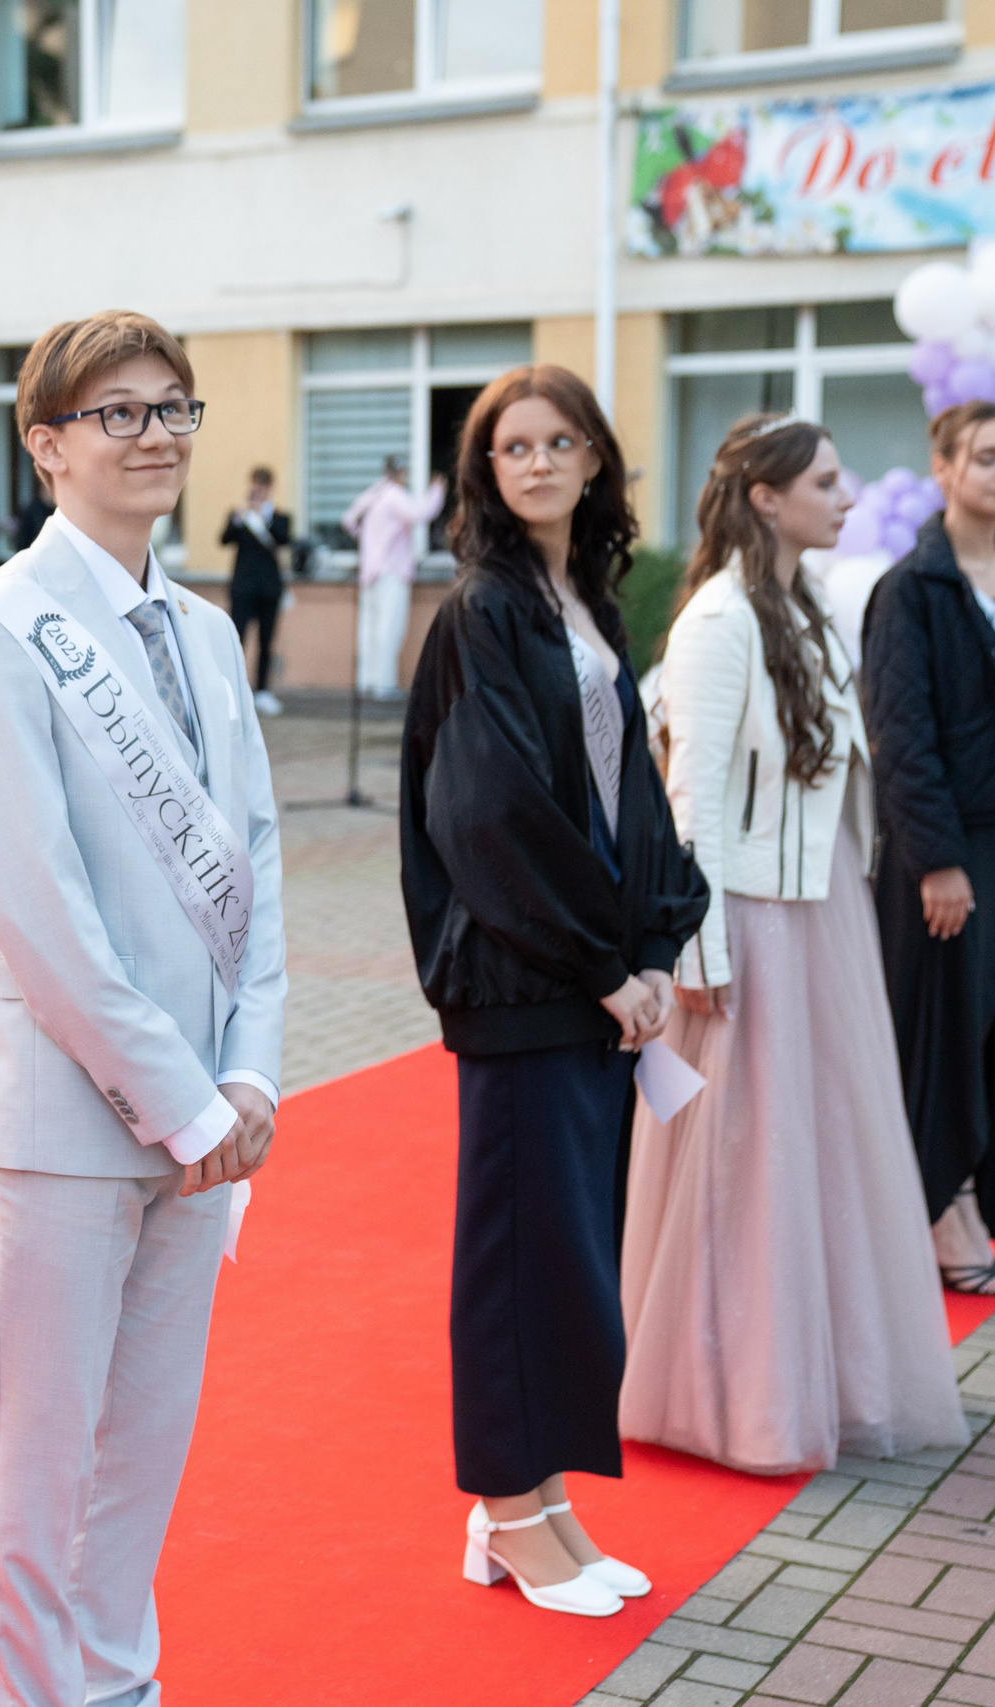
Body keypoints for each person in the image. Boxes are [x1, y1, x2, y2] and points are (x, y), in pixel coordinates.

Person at [0, 311, 286, 1707]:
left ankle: (116, 1685)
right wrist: (184, 1096)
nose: (154, 437)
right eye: (117, 413)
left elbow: (253, 862)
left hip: (207, 1119)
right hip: (64, 1121)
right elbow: (39, 910)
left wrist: (249, 1074)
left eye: (174, 409)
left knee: (142, 1449)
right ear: (46, 442)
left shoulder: (201, 629)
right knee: (41, 1451)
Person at [399, 364, 707, 1617]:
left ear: (592, 462)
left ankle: (543, 1504)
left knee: (570, 1254)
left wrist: (655, 947)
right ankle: (510, 1516)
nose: (534, 462)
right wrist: (599, 966)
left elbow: (627, 789)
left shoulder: (580, 599)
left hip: (589, 979)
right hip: (527, 982)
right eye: (510, 445)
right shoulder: (483, 608)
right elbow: (497, 811)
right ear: (484, 470)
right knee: (520, 1260)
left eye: (557, 441)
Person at [619, 415, 966, 1477]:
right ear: (766, 498)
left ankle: (832, 1375)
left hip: (820, 911)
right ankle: (730, 1397)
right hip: (751, 922)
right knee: (745, 1161)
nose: (846, 497)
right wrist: (702, 947)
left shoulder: (809, 604)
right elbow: (693, 802)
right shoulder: (719, 620)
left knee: (819, 1150)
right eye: (825, 480)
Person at [861, 402, 995, 1296]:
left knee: (985, 1029)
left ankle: (963, 1203)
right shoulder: (913, 586)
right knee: (940, 1035)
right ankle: (940, 1218)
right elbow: (899, 736)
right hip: (938, 855)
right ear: (943, 468)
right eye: (985, 457)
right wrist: (938, 857)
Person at [348, 455, 448, 698]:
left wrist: (370, 542)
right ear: (400, 473)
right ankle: (384, 685)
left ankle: (367, 683)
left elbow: (349, 520)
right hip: (391, 571)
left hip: (370, 571)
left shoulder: (373, 494)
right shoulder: (394, 496)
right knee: (389, 629)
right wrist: (437, 490)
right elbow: (421, 513)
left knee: (369, 630)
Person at [219, 465, 294, 715]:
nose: (258, 490)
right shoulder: (240, 515)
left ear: (270, 488)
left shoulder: (279, 517)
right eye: (255, 484)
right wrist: (240, 517)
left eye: (263, 486)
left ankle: (263, 691)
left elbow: (283, 539)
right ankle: (234, 691)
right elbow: (224, 539)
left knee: (266, 641)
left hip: (269, 589)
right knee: (237, 639)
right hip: (242, 588)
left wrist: (262, 517)